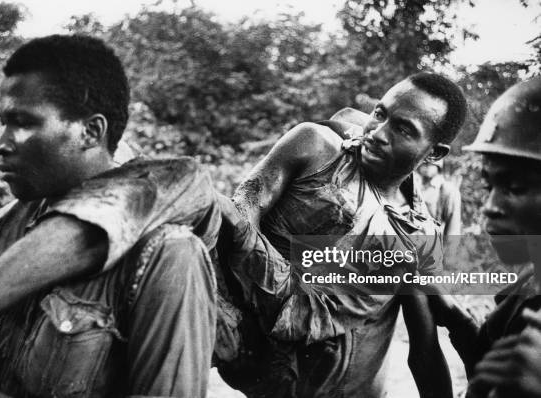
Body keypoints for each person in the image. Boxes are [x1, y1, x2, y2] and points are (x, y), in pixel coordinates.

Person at [0, 35, 218, 397]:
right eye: (3, 121)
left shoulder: (168, 256)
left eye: (23, 122)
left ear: (90, 131)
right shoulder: (15, 226)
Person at [215, 72, 470, 397]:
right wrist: (236, 286)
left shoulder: (417, 232)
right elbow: (247, 201)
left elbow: (425, 348)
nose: (378, 133)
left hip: (350, 386)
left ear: (434, 153)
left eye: (403, 129)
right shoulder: (315, 146)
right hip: (265, 372)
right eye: (380, 113)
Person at [461, 76, 541, 398]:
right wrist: (460, 325)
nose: (489, 207)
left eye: (515, 188)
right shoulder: (526, 285)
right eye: (488, 186)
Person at [417, 159, 462, 237]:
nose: (427, 166)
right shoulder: (412, 185)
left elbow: (452, 232)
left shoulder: (448, 190)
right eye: (424, 163)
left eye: (430, 163)